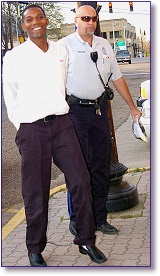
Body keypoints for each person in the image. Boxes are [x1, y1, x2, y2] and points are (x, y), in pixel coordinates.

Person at [2, 4, 107, 266]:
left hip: (62, 125)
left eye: (40, 17)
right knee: (35, 191)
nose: (36, 22)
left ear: (46, 21)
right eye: (29, 19)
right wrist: (22, 125)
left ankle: (86, 240)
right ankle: (35, 247)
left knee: (81, 182)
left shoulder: (60, 51)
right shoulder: (13, 57)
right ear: (24, 26)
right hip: (32, 130)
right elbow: (10, 96)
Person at [59, 5, 142, 236]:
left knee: (100, 169)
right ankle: (77, 220)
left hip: (99, 112)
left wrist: (132, 107)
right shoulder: (64, 46)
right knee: (78, 170)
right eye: (85, 18)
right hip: (75, 114)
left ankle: (99, 218)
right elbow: (54, 81)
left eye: (94, 18)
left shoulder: (104, 45)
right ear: (76, 20)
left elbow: (117, 77)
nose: (90, 22)